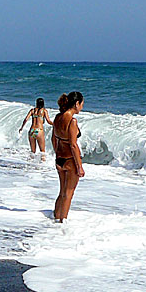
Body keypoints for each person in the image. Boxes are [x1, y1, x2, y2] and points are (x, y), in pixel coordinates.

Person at [52, 91, 85, 222]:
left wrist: (57, 154)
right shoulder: (72, 121)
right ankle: (62, 222)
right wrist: (80, 166)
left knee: (62, 192)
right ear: (77, 104)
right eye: (82, 104)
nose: (82, 107)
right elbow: (73, 145)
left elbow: (54, 139)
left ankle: (55, 218)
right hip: (70, 160)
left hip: (59, 159)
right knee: (68, 194)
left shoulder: (58, 117)